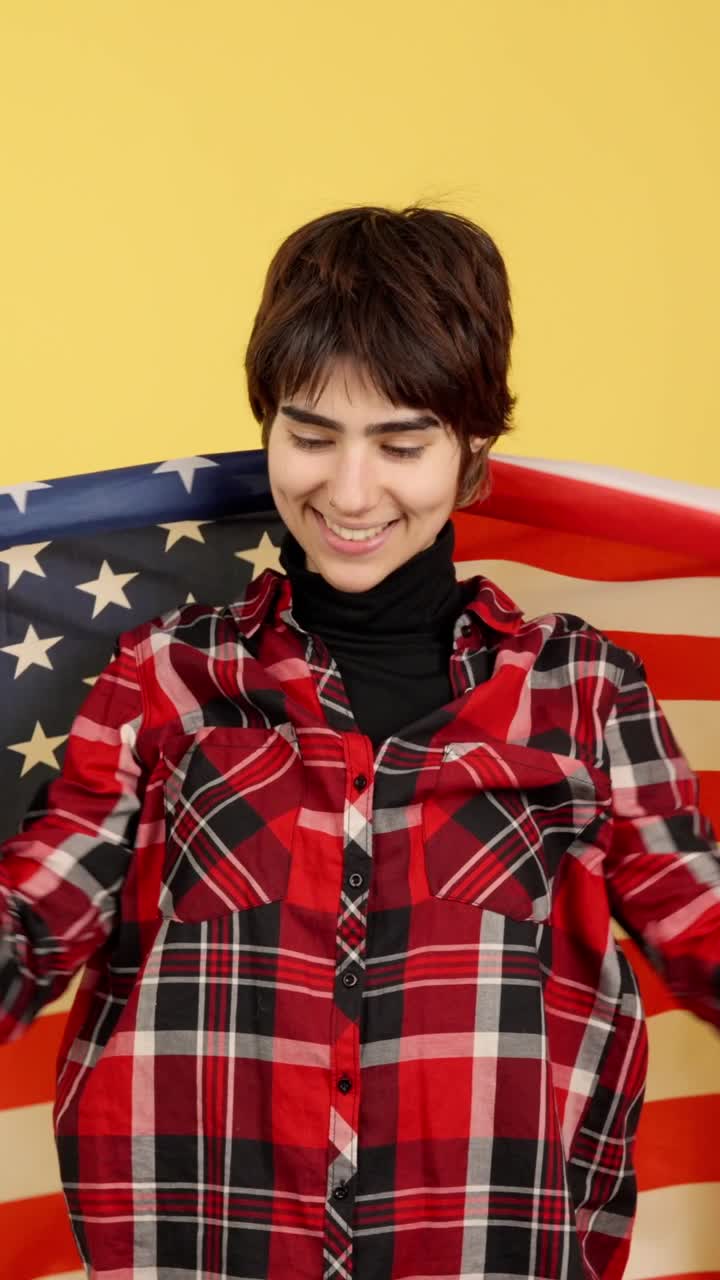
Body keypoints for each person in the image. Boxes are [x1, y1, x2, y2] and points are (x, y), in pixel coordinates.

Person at [0, 204, 718, 1280]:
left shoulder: (586, 689)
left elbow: (700, 922)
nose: (348, 490)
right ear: (267, 428)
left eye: (402, 441)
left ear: (472, 449)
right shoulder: (166, 676)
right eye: (312, 434)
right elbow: (29, 926)